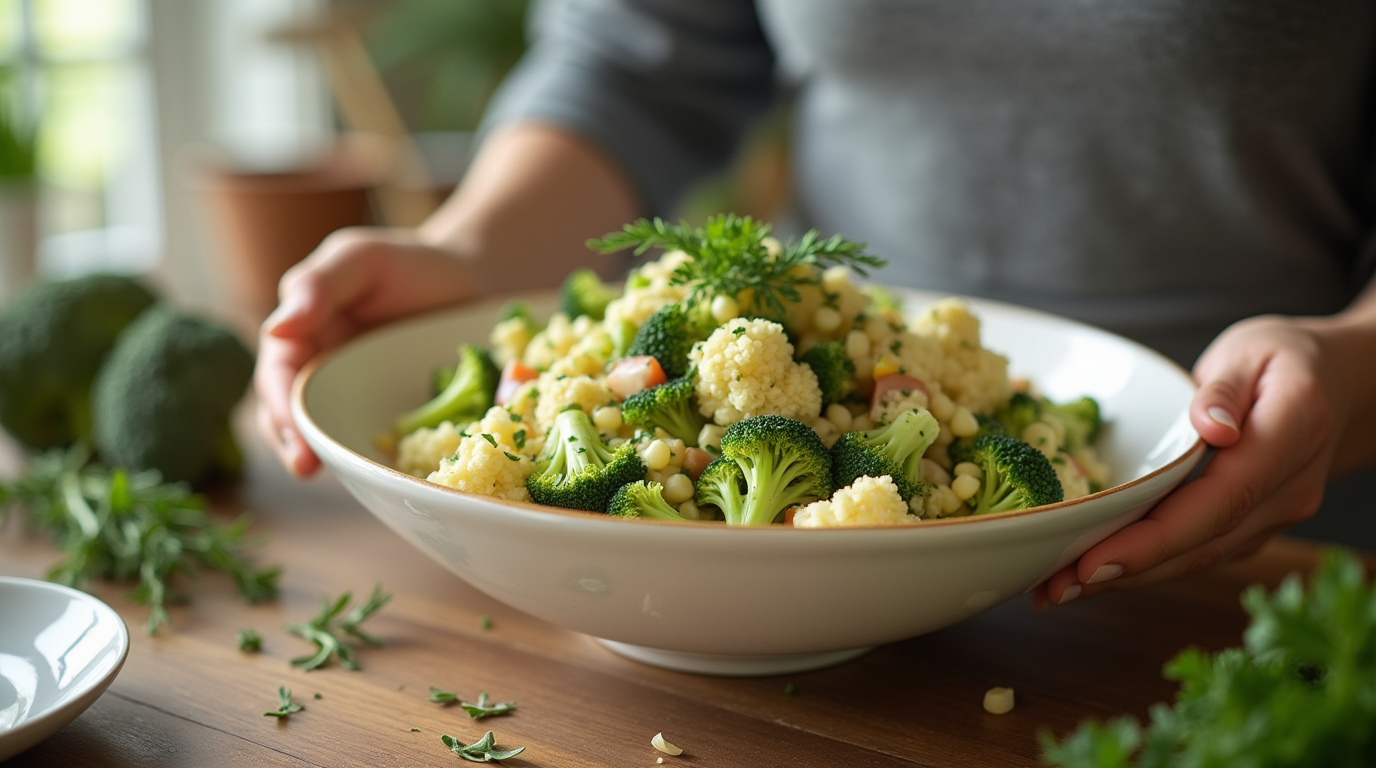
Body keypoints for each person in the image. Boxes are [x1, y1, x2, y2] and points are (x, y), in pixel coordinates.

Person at [255, 0, 1376, 608]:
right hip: (787, 531)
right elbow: (635, 56)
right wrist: (468, 249)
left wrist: (1346, 361)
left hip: (1266, 549)